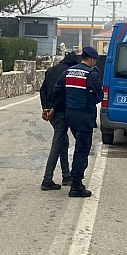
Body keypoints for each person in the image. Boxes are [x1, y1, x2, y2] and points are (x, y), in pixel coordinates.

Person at [52, 46, 103, 198]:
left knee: (78, 145)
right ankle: (76, 185)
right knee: (82, 149)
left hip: (70, 114)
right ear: (92, 59)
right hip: (84, 115)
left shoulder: (68, 72)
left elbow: (57, 90)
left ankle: (75, 180)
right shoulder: (91, 74)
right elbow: (99, 96)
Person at [38, 51, 79, 190]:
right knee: (57, 145)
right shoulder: (69, 72)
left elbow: (42, 90)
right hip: (60, 112)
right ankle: (47, 180)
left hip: (51, 113)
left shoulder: (51, 70)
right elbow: (62, 94)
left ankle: (66, 176)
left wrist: (46, 108)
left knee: (63, 142)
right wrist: (54, 108)